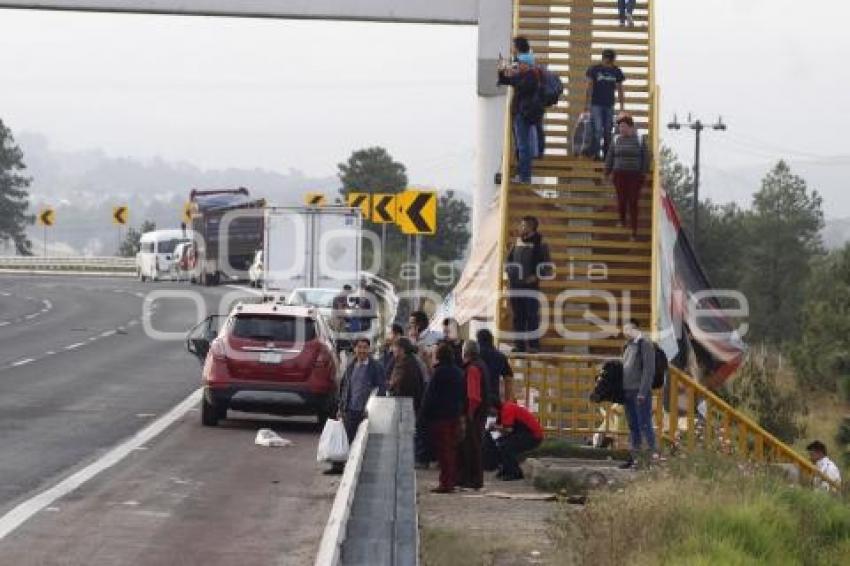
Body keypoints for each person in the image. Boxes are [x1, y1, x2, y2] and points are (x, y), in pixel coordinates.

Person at [329, 337, 386, 474]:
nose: (362, 350)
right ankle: (339, 467)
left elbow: (381, 388)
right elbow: (344, 388)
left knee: (364, 443)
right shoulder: (351, 365)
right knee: (344, 438)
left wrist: (374, 408)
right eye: (359, 347)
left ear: (370, 349)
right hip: (350, 409)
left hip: (366, 411)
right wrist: (341, 408)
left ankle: (361, 470)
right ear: (354, 349)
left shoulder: (375, 367)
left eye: (365, 347)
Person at [419, 342, 465, 493]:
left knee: (443, 452)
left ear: (439, 356)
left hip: (440, 417)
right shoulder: (459, 372)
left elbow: (430, 396)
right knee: (452, 450)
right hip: (455, 415)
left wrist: (423, 414)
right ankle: (452, 480)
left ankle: (445, 483)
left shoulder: (439, 373)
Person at [498, 44, 544, 184]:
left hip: (524, 114)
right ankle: (522, 174)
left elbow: (518, 84)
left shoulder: (531, 76)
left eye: (521, 63)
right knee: (521, 146)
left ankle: (524, 177)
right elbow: (508, 81)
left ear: (528, 64)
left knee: (523, 147)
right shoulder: (526, 75)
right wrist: (501, 71)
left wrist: (511, 75)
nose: (519, 65)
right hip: (521, 113)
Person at [505, 216, 550, 353]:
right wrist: (510, 272)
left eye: (523, 226)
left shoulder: (541, 244)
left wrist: (535, 276)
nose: (521, 228)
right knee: (518, 317)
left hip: (531, 288)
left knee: (531, 316)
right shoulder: (517, 243)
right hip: (515, 287)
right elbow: (508, 261)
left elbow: (546, 266)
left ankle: (534, 346)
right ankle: (519, 346)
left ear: (531, 227)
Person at [605, 114, 651, 240]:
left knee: (633, 202)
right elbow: (610, 156)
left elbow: (645, 157)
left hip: (635, 175)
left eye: (624, 126)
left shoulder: (639, 139)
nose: (622, 129)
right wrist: (607, 172)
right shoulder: (616, 140)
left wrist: (644, 172)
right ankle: (622, 220)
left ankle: (634, 231)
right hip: (619, 174)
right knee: (621, 199)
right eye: (620, 127)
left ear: (631, 127)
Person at [620, 318, 657, 467]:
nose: (625, 332)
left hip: (639, 392)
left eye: (628, 329)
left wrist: (643, 392)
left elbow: (649, 370)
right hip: (627, 391)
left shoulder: (645, 344)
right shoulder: (627, 346)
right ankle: (635, 458)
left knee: (644, 424)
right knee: (633, 426)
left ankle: (650, 458)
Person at [457, 340, 491, 490]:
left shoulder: (472, 368)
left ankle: (472, 479)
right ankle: (473, 479)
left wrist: (469, 414)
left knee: (471, 446)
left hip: (474, 413)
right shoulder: (481, 365)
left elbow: (473, 396)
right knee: (475, 445)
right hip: (481, 411)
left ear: (465, 352)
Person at [585, 49, 626, 161]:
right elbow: (589, 86)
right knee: (597, 129)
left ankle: (606, 154)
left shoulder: (616, 71)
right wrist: (587, 104)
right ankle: (596, 154)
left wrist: (622, 107)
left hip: (609, 105)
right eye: (608, 59)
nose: (609, 62)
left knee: (608, 130)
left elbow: (620, 89)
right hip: (596, 104)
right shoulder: (594, 70)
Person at [490, 400, 544, 481]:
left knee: (506, 447)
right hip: (524, 434)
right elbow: (506, 431)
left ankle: (515, 473)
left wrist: (495, 428)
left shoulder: (507, 409)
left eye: (488, 409)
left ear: (493, 407)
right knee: (499, 442)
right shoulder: (502, 410)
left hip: (533, 436)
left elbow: (508, 429)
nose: (487, 412)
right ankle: (506, 469)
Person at [511, 36, 545, 157]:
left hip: (523, 102)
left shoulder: (518, 60)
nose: (511, 48)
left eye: (513, 46)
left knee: (521, 134)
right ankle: (539, 151)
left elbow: (513, 77)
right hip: (537, 100)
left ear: (517, 47)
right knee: (537, 126)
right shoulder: (532, 59)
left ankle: (522, 156)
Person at [388, 337, 426, 413]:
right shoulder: (411, 360)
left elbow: (396, 384)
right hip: (410, 405)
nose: (393, 350)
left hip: (406, 407)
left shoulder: (405, 364)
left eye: (395, 347)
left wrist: (389, 385)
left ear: (401, 349)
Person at [477, 329, 514, 404]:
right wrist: (507, 401)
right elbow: (508, 378)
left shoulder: (476, 356)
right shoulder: (500, 356)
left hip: (478, 398)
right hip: (494, 399)